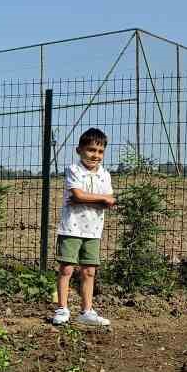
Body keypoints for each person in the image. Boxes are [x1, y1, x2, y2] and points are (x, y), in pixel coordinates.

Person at [52, 127, 116, 328]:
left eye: (100, 151)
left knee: (89, 271)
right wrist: (100, 199)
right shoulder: (74, 170)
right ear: (79, 150)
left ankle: (86, 311)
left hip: (93, 230)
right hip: (71, 228)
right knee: (67, 269)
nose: (95, 155)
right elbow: (78, 195)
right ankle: (62, 309)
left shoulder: (105, 175)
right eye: (90, 150)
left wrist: (89, 200)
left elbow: (109, 201)